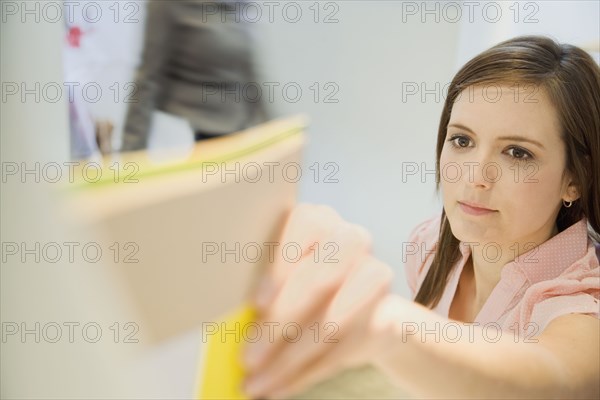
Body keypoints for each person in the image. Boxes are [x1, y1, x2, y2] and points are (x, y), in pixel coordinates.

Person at [240, 36, 600, 399]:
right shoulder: (430, 245)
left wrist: (383, 324)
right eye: (462, 140)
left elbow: (558, 380)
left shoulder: (585, 301)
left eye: (517, 153)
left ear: (573, 179)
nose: (475, 175)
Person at [121, 1, 268, 152]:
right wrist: (131, 158)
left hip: (236, 134)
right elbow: (147, 79)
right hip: (188, 136)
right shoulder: (168, 5)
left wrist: (273, 133)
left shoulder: (240, 6)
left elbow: (251, 75)